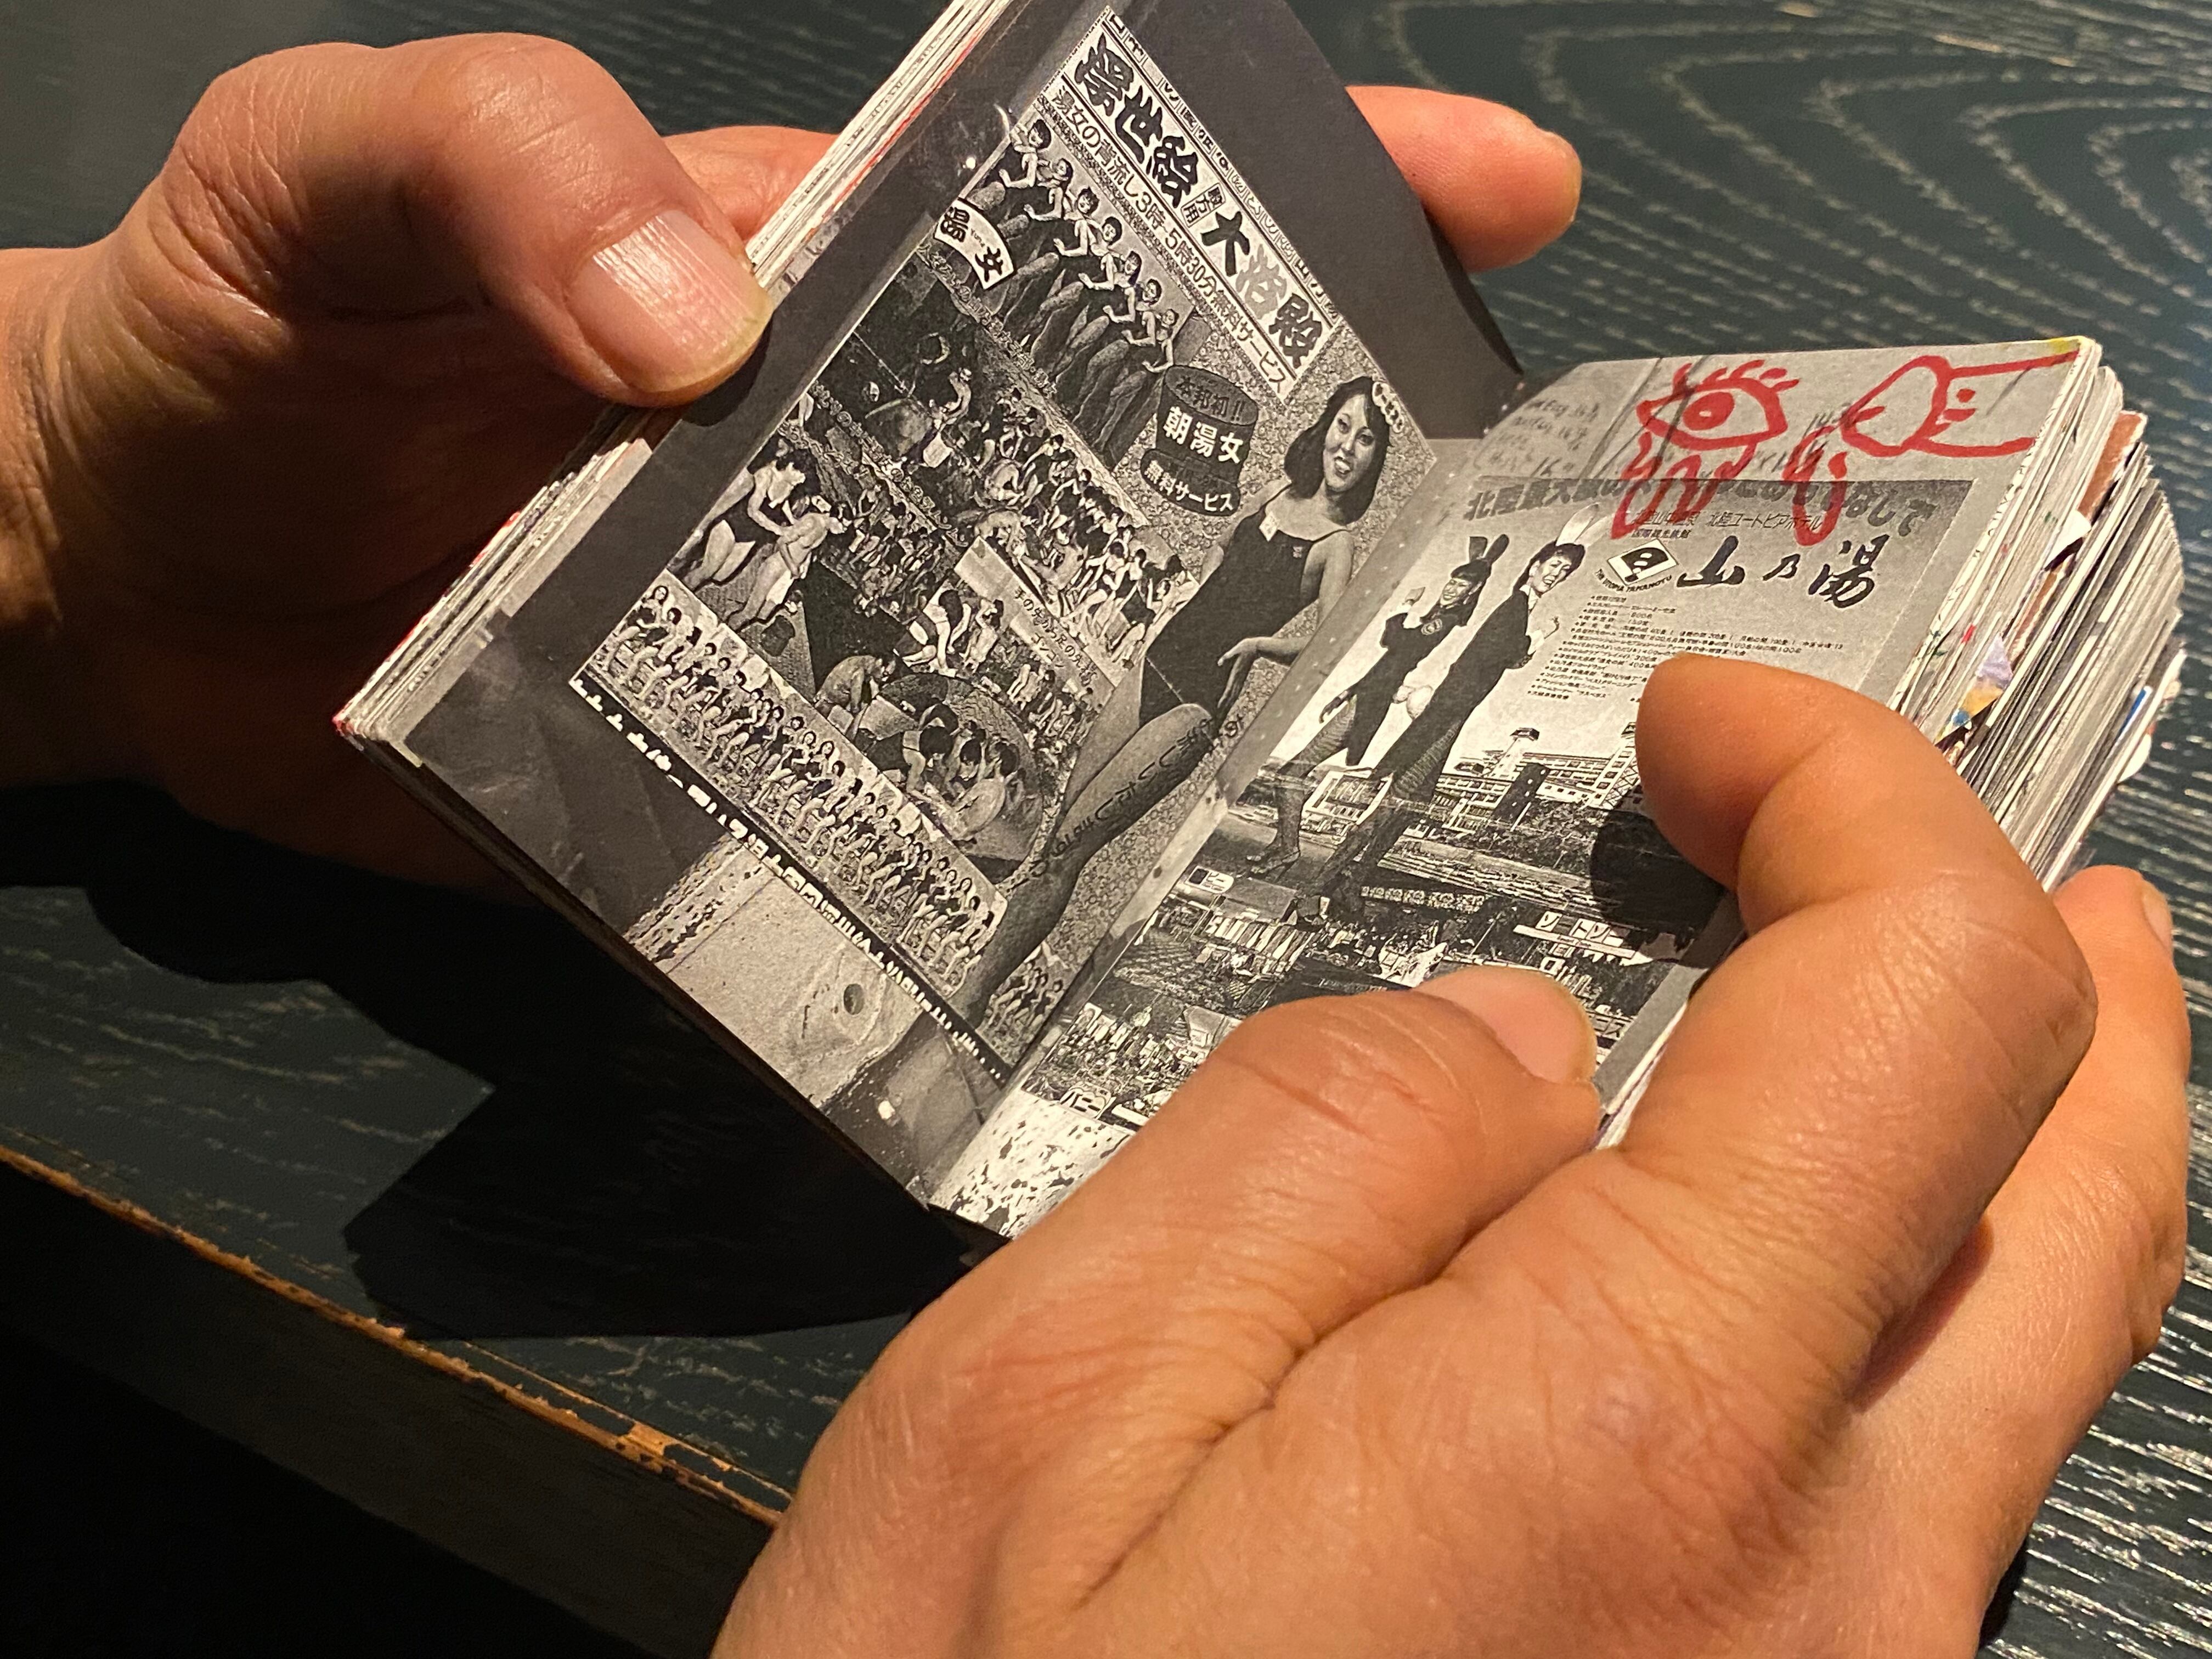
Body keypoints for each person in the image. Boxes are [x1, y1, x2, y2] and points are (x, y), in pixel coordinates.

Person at [0, 38, 2182, 1659]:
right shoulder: (1288, 507)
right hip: (1165, 723)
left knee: (1091, 869)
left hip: (1209, 724)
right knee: (1062, 879)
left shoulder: (1354, 534)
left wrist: (70, 531)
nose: (1342, 448)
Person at [955, 374, 1393, 1014]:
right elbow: (1222, 547)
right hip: (1156, 662)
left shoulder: (1336, 545)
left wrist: (1258, 646)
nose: (1348, 447)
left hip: (1196, 700)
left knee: (1070, 852)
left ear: (1375, 459)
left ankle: (972, 997)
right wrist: (1189, 605)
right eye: (1344, 426)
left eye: (1367, 439)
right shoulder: (1278, 492)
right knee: (1052, 844)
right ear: (1325, 426)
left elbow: (1329, 644)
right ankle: (975, 984)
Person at [1313, 538, 1582, 913]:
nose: (1557, 574)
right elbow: (1501, 655)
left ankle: (1351, 881)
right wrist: (1536, 639)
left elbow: (1499, 658)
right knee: (1399, 802)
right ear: (1535, 566)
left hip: (1451, 715)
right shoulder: (1514, 608)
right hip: (1444, 717)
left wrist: (1526, 645)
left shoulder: (1519, 609)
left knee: (1411, 806)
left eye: (1565, 571)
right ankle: (1320, 886)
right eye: (1553, 565)